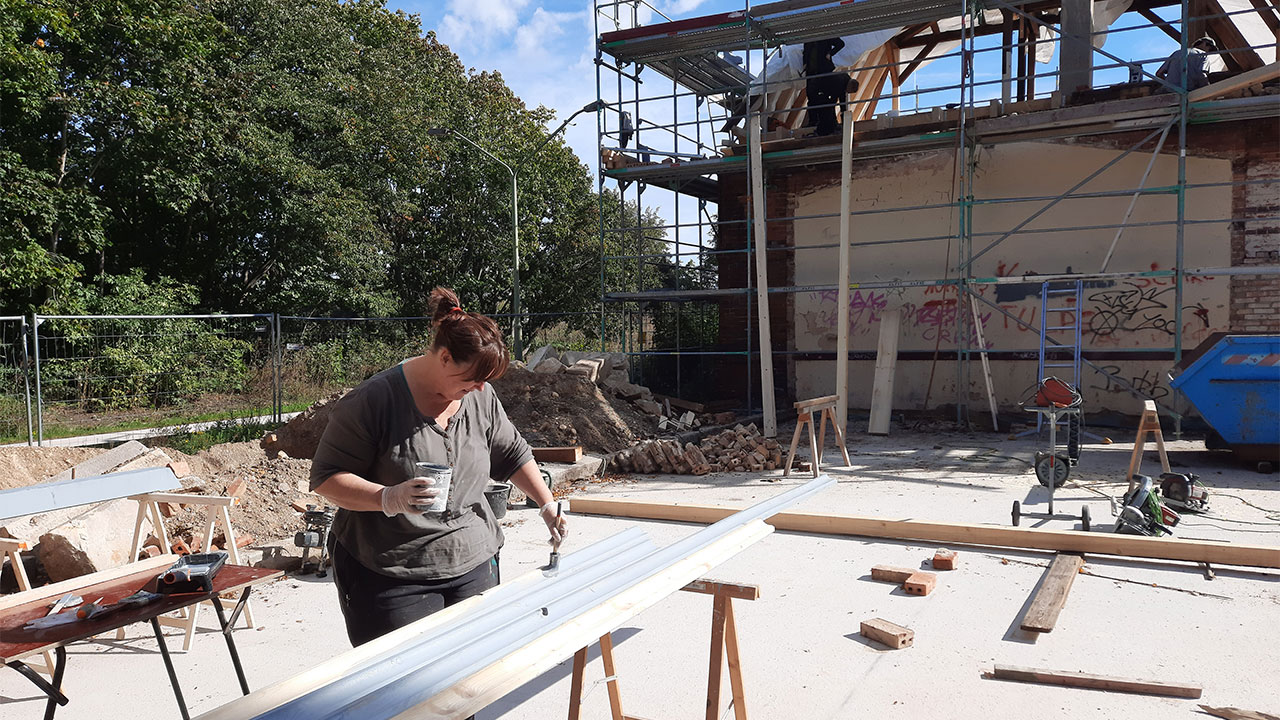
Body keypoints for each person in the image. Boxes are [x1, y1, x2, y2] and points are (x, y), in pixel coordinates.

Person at [309, 287, 566, 649]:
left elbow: (510, 452)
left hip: (472, 561)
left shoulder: (479, 396)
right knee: (406, 692)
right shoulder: (373, 401)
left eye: (484, 382)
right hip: (393, 574)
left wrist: (546, 503)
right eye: (470, 380)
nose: (478, 388)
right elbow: (326, 478)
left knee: (466, 683)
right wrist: (389, 497)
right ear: (444, 357)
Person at [803, 37, 849, 136]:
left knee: (826, 99)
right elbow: (806, 53)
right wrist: (805, 64)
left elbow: (840, 44)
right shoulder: (807, 39)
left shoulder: (824, 36)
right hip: (811, 72)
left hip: (823, 71)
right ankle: (813, 121)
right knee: (811, 96)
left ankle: (831, 122)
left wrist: (830, 53)